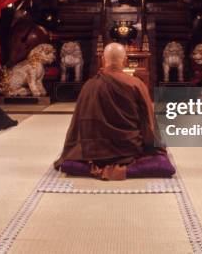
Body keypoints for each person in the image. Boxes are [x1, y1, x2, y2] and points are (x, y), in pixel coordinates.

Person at [54, 42, 175, 181]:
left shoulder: (89, 85)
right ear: (125, 60)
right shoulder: (136, 84)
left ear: (103, 60)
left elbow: (77, 124)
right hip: (128, 150)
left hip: (93, 152)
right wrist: (155, 147)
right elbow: (148, 123)